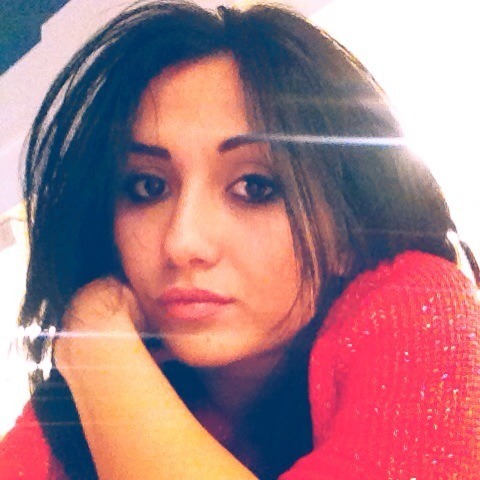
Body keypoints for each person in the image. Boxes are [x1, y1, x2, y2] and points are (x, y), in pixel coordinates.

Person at [1, 2, 479, 479]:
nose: (182, 242)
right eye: (148, 187)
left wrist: (94, 338)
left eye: (255, 187)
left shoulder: (418, 302)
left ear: (346, 231)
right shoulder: (84, 391)